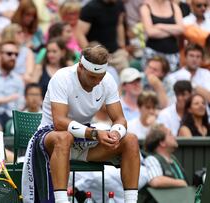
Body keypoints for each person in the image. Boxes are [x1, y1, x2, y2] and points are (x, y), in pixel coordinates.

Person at [22, 45, 140, 203]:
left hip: (83, 141)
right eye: (93, 77)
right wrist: (95, 134)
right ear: (81, 67)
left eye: (101, 76)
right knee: (63, 138)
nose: (98, 82)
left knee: (130, 140)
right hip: (52, 138)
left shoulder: (107, 80)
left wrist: (116, 133)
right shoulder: (62, 77)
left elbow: (120, 119)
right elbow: (59, 123)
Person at [76, 0, 129, 72]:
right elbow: (80, 34)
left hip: (116, 54)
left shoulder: (119, 4)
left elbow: (119, 25)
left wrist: (122, 47)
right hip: (98, 57)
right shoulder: (90, 7)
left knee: (126, 78)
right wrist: (91, 55)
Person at [140, 0, 183, 72]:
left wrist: (160, 26)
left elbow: (181, 29)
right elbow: (150, 32)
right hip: (153, 54)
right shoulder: (146, 7)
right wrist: (172, 31)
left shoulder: (174, 7)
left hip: (172, 54)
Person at [143, 124, 188, 188]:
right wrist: (181, 183)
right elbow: (155, 181)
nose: (174, 136)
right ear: (162, 142)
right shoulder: (152, 159)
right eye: (170, 134)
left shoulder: (173, 159)